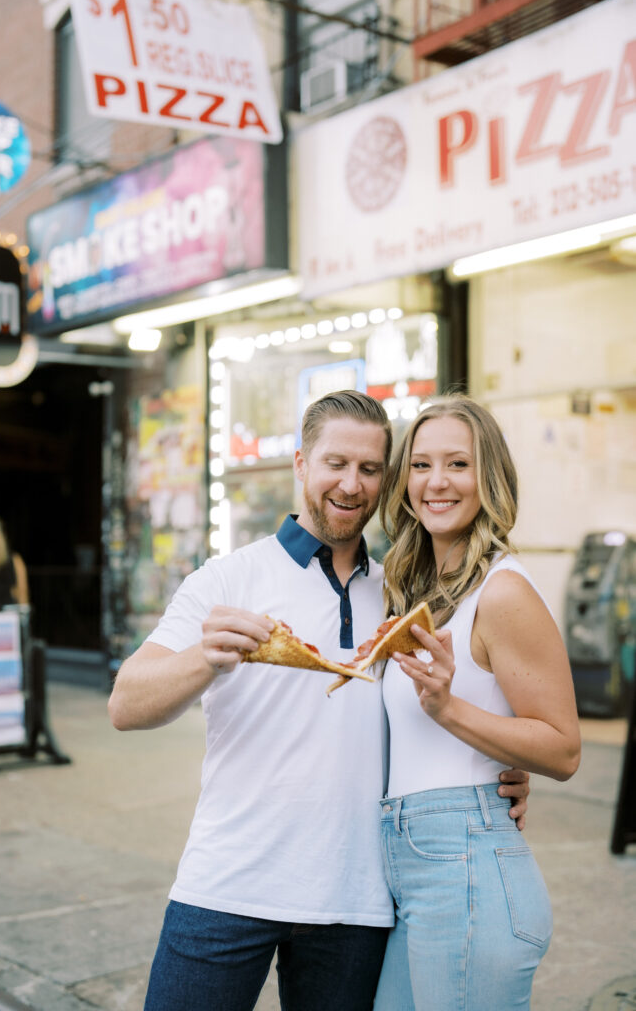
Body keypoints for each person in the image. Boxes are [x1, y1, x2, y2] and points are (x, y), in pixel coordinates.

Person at [108, 390, 530, 1011]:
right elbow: (125, 705)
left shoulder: (401, 591)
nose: (351, 485)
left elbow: (440, 711)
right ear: (301, 463)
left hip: (356, 900)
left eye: (369, 469)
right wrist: (206, 657)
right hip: (226, 887)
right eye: (336, 463)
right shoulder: (227, 578)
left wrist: (503, 773)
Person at [373, 395, 581, 1011]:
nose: (436, 482)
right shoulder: (417, 589)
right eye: (420, 464)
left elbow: (564, 748)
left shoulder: (503, 590)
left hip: (466, 868)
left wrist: (449, 710)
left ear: (487, 480)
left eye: (457, 465)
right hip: (417, 868)